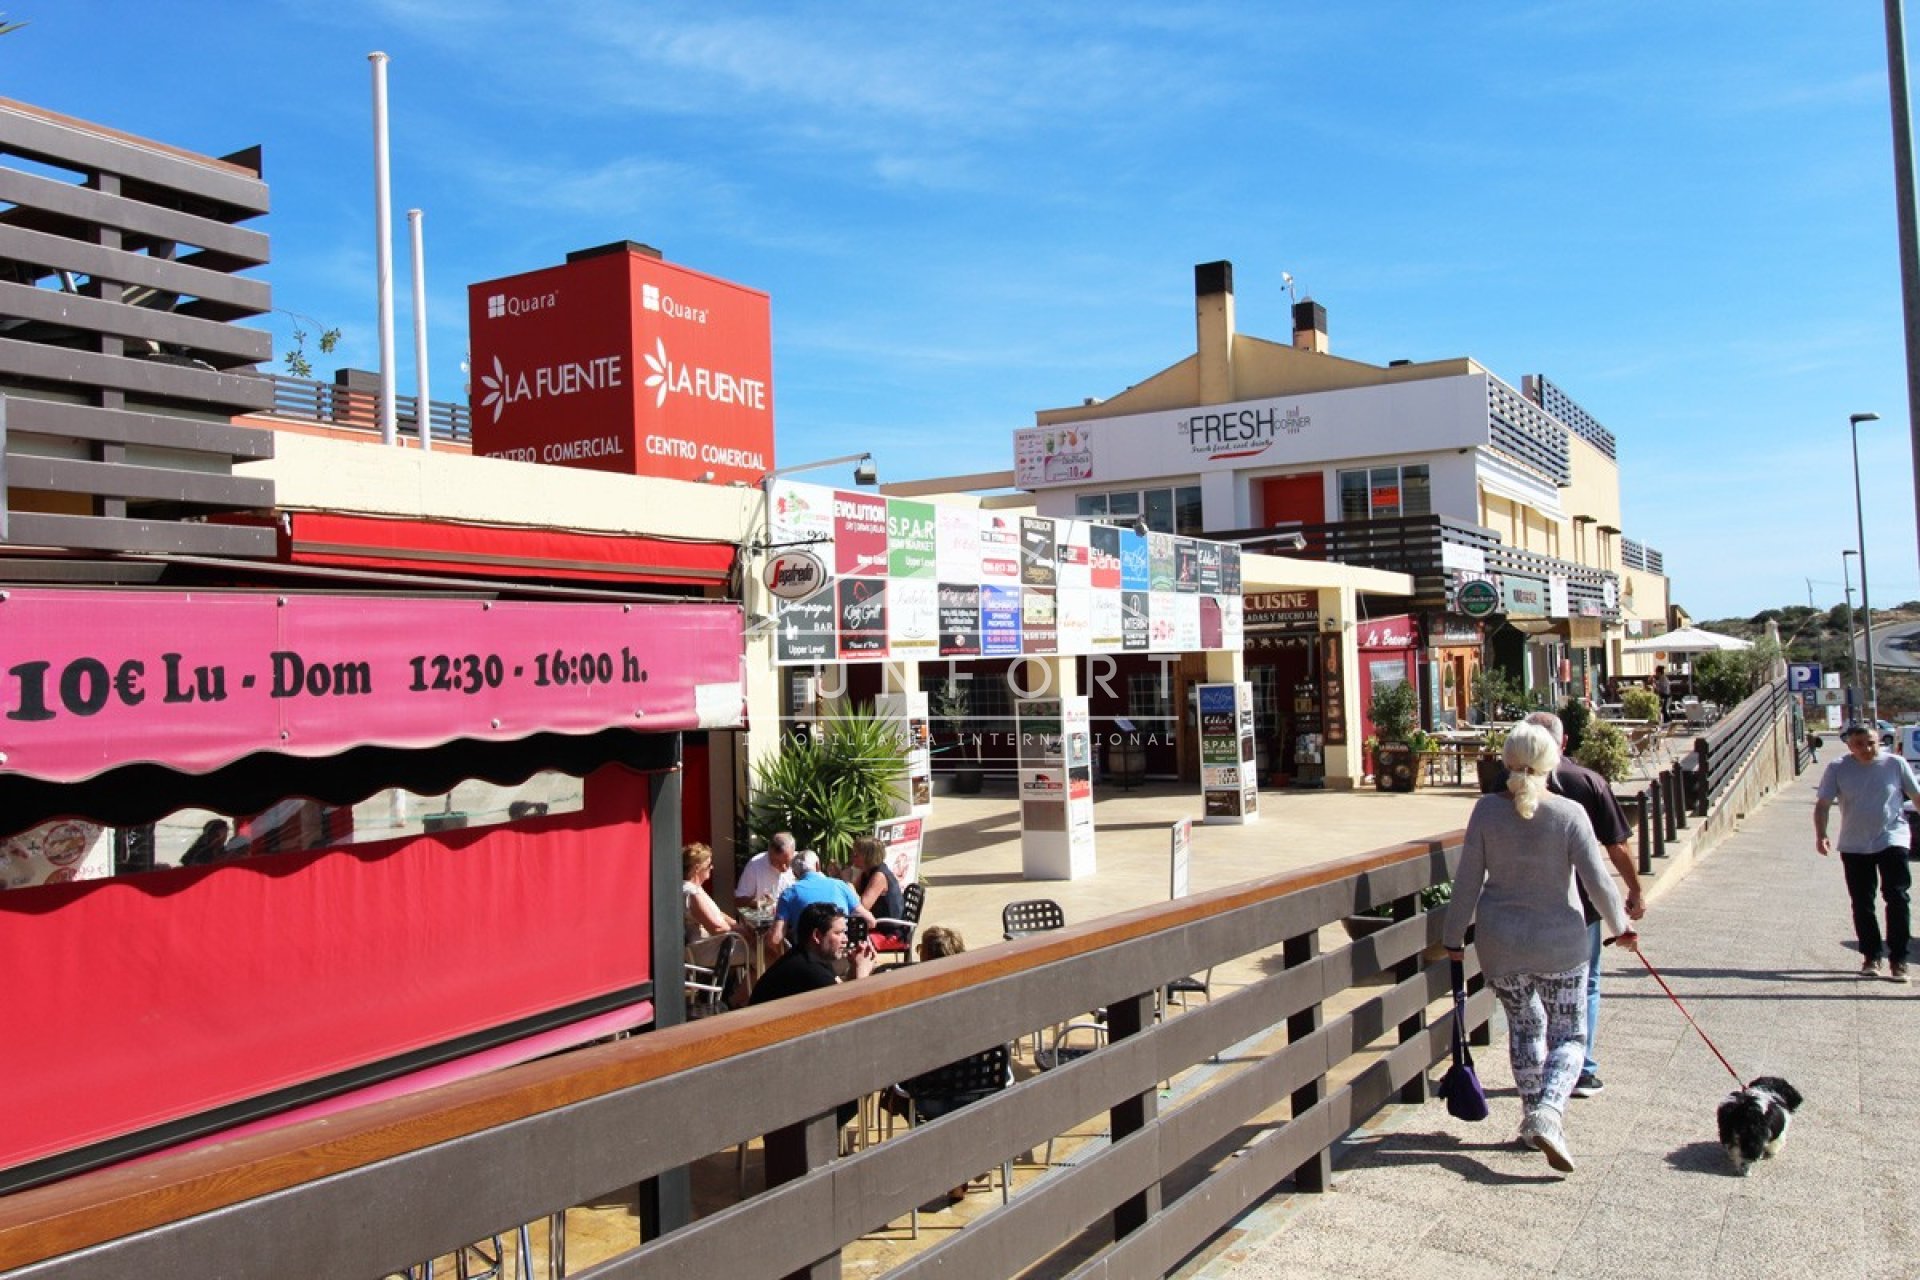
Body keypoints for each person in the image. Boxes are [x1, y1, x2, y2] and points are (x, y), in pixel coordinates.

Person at [1444, 722, 1638, 1174]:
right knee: (1569, 1035)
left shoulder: (1487, 813)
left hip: (1501, 943)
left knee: (1525, 1029)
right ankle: (1548, 1113)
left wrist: (1453, 937)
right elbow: (1597, 881)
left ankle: (1533, 1123)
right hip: (1561, 944)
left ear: (1506, 762)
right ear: (1552, 762)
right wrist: (1621, 926)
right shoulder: (1569, 813)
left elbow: (1467, 880)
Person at [1517, 711, 1647, 1099]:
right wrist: (1634, 892)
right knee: (1584, 985)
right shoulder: (1587, 782)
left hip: (1522, 906)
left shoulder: (1502, 790)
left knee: (1532, 988)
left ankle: (1539, 1065)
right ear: (1564, 741)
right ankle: (1580, 1068)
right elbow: (1616, 846)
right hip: (1578, 908)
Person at [1814, 721, 1920, 982]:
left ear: (1879, 742)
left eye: (1871, 742)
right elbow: (1823, 804)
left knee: (1896, 897)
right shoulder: (1839, 768)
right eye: (1859, 744)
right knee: (1862, 902)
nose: (1866, 748)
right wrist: (1821, 834)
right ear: (1849, 746)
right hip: (1854, 843)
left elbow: (1916, 797)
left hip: (1892, 838)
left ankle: (1899, 959)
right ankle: (1871, 956)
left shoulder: (1895, 764)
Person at [749, 902, 876, 1004]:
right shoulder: (809, 970)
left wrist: (854, 967)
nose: (846, 939)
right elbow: (852, 1010)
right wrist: (862, 971)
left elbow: (842, 991)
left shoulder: (810, 956)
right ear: (817, 936)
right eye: (838, 933)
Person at [768, 851, 874, 952]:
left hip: (808, 960)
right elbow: (870, 921)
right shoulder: (840, 886)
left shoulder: (789, 893)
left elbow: (775, 939)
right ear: (818, 865)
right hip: (843, 956)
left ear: (795, 873)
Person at [682, 842, 750, 945]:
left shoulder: (696, 887)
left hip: (719, 942)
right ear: (697, 868)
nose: (712, 867)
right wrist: (742, 931)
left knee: (761, 946)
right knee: (764, 951)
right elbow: (716, 928)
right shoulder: (692, 893)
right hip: (708, 949)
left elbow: (718, 913)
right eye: (709, 864)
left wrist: (738, 926)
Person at [853, 834, 907, 941]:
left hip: (889, 930)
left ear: (867, 857)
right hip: (877, 921)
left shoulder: (879, 876)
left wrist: (848, 885)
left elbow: (862, 907)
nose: (852, 857)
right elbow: (854, 893)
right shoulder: (866, 872)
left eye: (856, 854)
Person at [735, 831, 798, 909]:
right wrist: (758, 903)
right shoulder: (755, 865)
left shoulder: (802, 862)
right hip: (765, 919)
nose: (784, 868)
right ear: (769, 852)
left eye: (788, 862)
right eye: (777, 863)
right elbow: (739, 900)